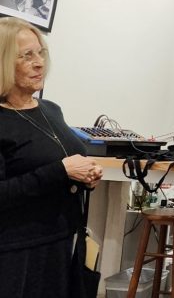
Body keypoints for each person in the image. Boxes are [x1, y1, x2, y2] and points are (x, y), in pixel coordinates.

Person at [0, 16, 103, 297]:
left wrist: (86, 176)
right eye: (26, 55)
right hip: (15, 253)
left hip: (62, 242)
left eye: (41, 53)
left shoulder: (51, 110)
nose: (39, 63)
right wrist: (61, 170)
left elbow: (61, 164)